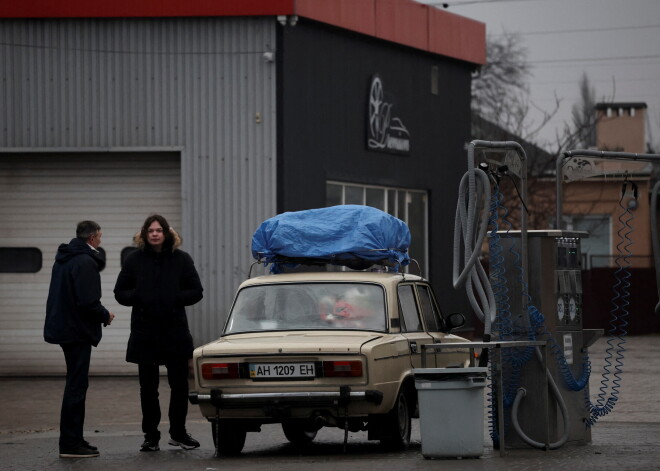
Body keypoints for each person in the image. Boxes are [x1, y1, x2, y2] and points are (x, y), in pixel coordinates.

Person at [114, 214, 203, 452]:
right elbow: (120, 292)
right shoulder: (134, 261)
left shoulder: (181, 260)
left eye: (159, 230)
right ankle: (151, 436)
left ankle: (178, 433)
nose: (154, 234)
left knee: (180, 386)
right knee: (148, 389)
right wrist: (139, 297)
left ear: (166, 234)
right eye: (150, 230)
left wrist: (174, 297)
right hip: (146, 334)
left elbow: (196, 290)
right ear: (144, 234)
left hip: (175, 332)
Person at [44, 220, 115, 459]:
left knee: (75, 384)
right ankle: (71, 444)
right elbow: (87, 302)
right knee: (76, 386)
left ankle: (73, 437)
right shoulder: (85, 261)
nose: (101, 241)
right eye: (100, 236)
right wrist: (105, 315)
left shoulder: (64, 258)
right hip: (77, 331)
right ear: (93, 237)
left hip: (66, 329)